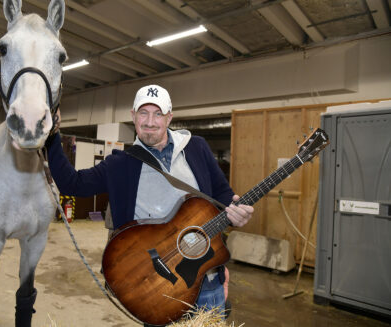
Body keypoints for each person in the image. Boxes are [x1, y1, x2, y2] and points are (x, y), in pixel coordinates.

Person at [45, 84, 254, 326]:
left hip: (206, 283)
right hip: (157, 289)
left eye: (158, 114)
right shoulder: (120, 164)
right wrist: (52, 136)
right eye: (143, 113)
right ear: (133, 116)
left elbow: (223, 196)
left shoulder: (196, 148)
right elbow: (74, 184)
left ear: (169, 117)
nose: (150, 122)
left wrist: (236, 213)